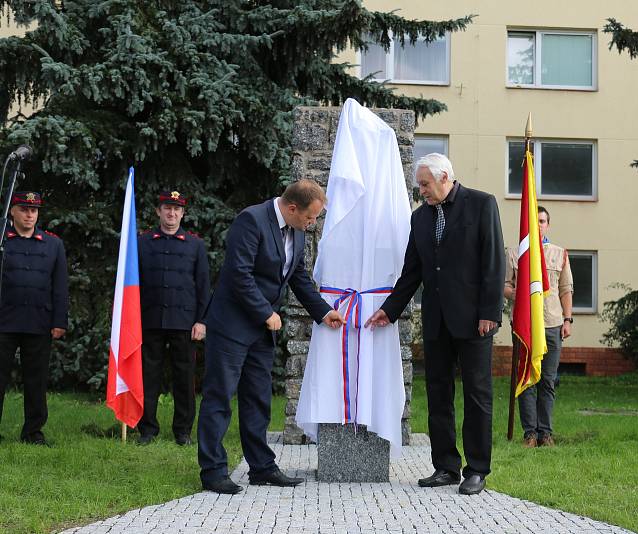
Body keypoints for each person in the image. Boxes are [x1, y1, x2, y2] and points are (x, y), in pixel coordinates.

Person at [365, 153, 505, 496]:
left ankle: (476, 470)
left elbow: (493, 262)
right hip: (437, 321)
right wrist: (390, 309)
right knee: (438, 394)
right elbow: (413, 270)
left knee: (477, 396)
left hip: (475, 321)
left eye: (425, 185)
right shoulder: (420, 219)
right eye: (419, 186)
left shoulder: (482, 205)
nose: (422, 191)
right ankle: (445, 467)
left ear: (445, 178)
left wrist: (490, 311)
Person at [197, 179, 344, 494]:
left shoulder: (297, 231)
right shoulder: (251, 220)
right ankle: (213, 471)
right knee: (219, 397)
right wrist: (266, 312)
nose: (313, 223)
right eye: (310, 217)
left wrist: (323, 311)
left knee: (258, 399)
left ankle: (261, 468)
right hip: (232, 326)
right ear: (292, 208)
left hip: (262, 332)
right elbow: (239, 274)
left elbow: (298, 277)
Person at [136, 190, 210, 446]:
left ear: (182, 213)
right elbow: (133, 284)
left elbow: (203, 286)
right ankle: (147, 429)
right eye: (167, 208)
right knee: (148, 376)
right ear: (158, 211)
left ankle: (183, 431)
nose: (172, 213)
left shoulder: (195, 245)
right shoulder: (143, 242)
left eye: (177, 209)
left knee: (184, 378)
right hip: (150, 319)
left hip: (184, 322)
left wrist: (202, 320)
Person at [0, 191, 68, 445]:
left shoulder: (53, 244)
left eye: (34, 211)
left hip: (39, 322)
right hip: (4, 321)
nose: (30, 215)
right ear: (12, 212)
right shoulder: (2, 240)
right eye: (24, 210)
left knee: (36, 380)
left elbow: (60, 286)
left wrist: (59, 321)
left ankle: (33, 431)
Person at [504, 206, 573, 448]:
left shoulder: (559, 253)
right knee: (526, 379)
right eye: (536, 220)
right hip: (525, 326)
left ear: (548, 225)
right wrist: (521, 294)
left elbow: (565, 290)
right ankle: (530, 434)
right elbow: (505, 287)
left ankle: (545, 433)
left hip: (552, 323)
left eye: (543, 221)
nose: (539, 224)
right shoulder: (515, 253)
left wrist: (568, 319)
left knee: (548, 380)